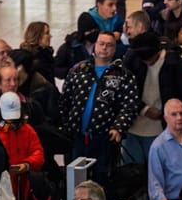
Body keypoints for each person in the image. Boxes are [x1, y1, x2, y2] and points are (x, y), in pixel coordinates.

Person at [58, 31, 142, 173]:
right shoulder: (78, 70)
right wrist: (65, 125)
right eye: (101, 44)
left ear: (114, 49)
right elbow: (65, 99)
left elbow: (129, 106)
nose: (104, 48)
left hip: (104, 139)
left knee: (101, 179)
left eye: (109, 45)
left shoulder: (123, 75)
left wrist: (118, 128)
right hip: (76, 136)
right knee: (74, 178)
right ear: (94, 46)